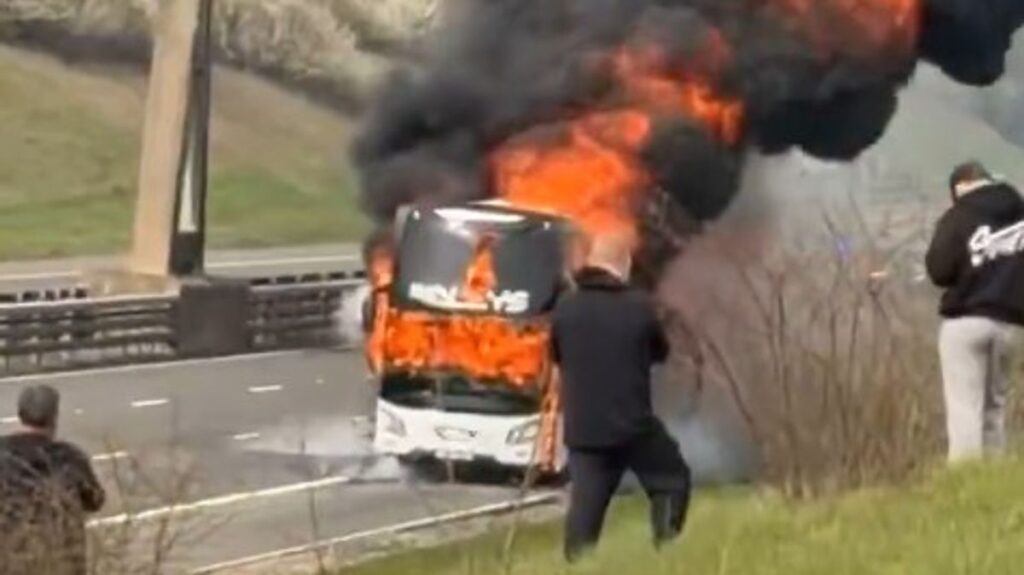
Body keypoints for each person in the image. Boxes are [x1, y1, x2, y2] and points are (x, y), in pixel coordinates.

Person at [550, 233, 692, 562]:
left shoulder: (566, 308)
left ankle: (576, 565)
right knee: (671, 478)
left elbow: (556, 356)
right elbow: (660, 352)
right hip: (632, 426)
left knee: (586, 508)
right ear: (622, 267)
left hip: (584, 432)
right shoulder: (639, 307)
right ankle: (665, 551)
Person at [925, 161, 1024, 462]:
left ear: (959, 188)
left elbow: (939, 270)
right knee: (995, 406)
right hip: (1013, 324)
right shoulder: (1019, 211)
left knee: (965, 408)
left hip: (966, 322)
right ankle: (992, 478)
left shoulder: (958, 216)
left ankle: (965, 480)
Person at [0, 385, 106, 574]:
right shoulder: (70, 457)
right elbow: (95, 500)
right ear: (54, 417)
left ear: (20, 414)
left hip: (12, 557)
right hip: (62, 558)